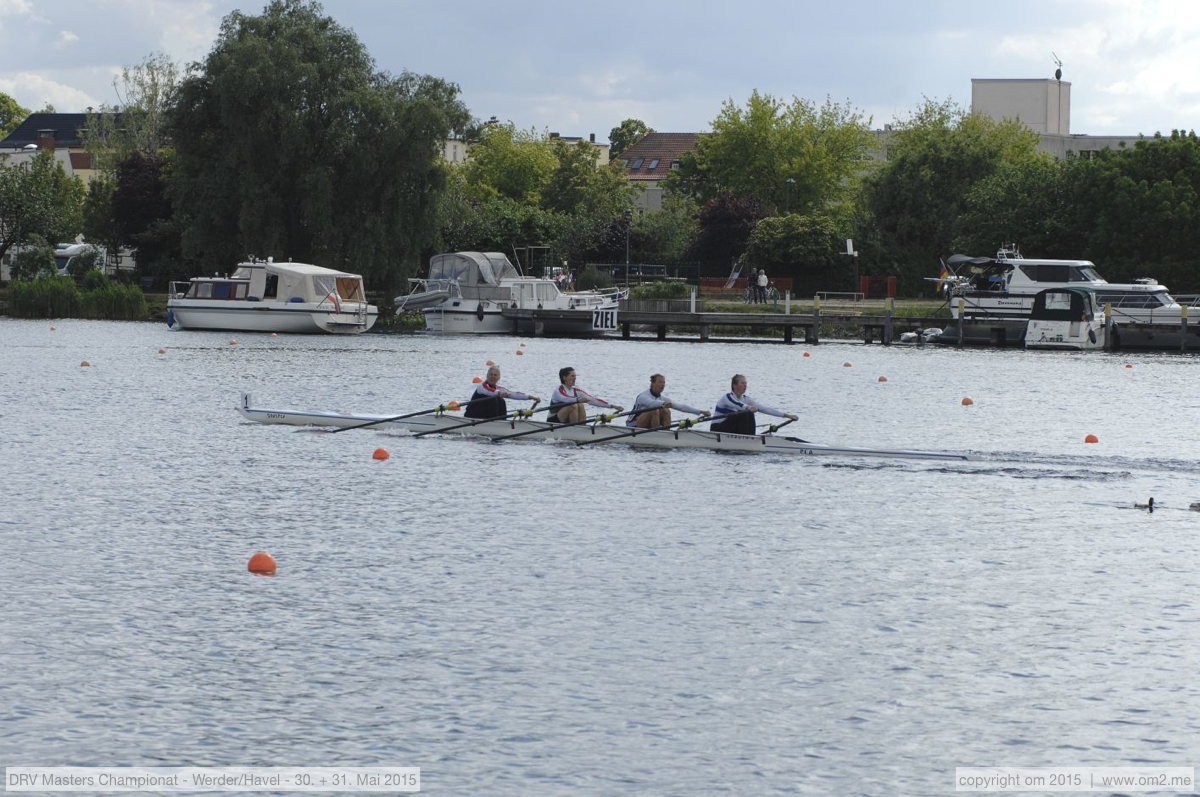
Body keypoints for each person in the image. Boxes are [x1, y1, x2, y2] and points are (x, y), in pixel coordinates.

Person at [712, 374, 798, 435]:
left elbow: (765, 409)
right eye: (742, 383)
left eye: (746, 383)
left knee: (749, 413)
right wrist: (748, 407)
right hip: (718, 428)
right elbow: (737, 404)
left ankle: (750, 438)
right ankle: (747, 439)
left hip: (731, 429)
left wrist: (787, 415)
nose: (745, 385)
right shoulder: (727, 397)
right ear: (734, 385)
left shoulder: (746, 399)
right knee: (746, 412)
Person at [627, 373, 711, 429]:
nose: (662, 385)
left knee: (666, 411)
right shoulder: (643, 396)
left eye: (663, 382)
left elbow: (681, 407)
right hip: (633, 424)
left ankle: (665, 434)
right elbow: (651, 403)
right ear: (652, 383)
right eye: (660, 382)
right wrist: (663, 404)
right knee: (654, 410)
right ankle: (657, 434)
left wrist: (700, 411)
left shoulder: (663, 399)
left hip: (649, 425)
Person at [547, 366, 622, 424]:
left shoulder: (576, 390)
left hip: (567, 421)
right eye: (572, 376)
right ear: (564, 377)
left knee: (580, 405)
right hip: (554, 420)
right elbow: (567, 399)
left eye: (575, 376)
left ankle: (581, 428)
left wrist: (612, 406)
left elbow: (593, 399)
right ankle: (576, 429)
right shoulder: (558, 391)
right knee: (574, 405)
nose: (575, 378)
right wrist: (578, 400)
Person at [463, 365, 540, 420]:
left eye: (495, 375)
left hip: (484, 416)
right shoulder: (482, 387)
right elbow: (491, 392)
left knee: (501, 401)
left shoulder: (499, 389)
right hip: (472, 415)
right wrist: (499, 394)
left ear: (498, 378)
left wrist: (531, 397)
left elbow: (514, 394)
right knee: (493, 399)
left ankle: (501, 422)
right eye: (491, 374)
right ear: (487, 376)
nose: (493, 377)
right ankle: (496, 424)